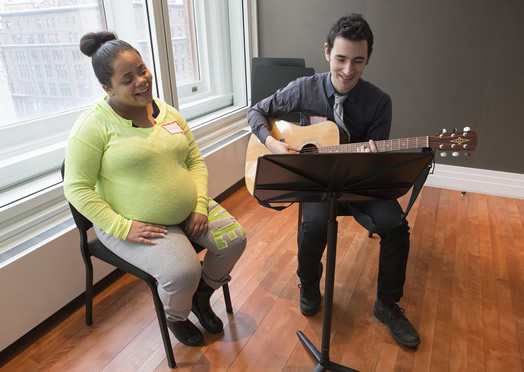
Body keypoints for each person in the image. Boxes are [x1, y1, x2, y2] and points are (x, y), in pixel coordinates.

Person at [64, 32, 246, 347]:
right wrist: (122, 227)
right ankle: (176, 315)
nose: (142, 80)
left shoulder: (167, 113)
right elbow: (76, 189)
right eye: (127, 78)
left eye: (142, 69)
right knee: (183, 271)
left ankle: (202, 296)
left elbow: (195, 163)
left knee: (234, 240)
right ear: (108, 88)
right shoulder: (93, 126)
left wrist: (199, 205)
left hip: (190, 211)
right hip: (133, 223)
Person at [247, 14, 420, 348]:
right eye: (341, 59)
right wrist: (273, 143)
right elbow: (255, 112)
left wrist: (373, 157)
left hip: (359, 181)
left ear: (368, 59)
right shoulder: (303, 88)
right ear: (327, 52)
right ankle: (309, 284)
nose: (347, 70)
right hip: (315, 180)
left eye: (358, 61)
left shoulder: (379, 102)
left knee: (396, 225)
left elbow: (377, 164)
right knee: (312, 226)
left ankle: (387, 304)